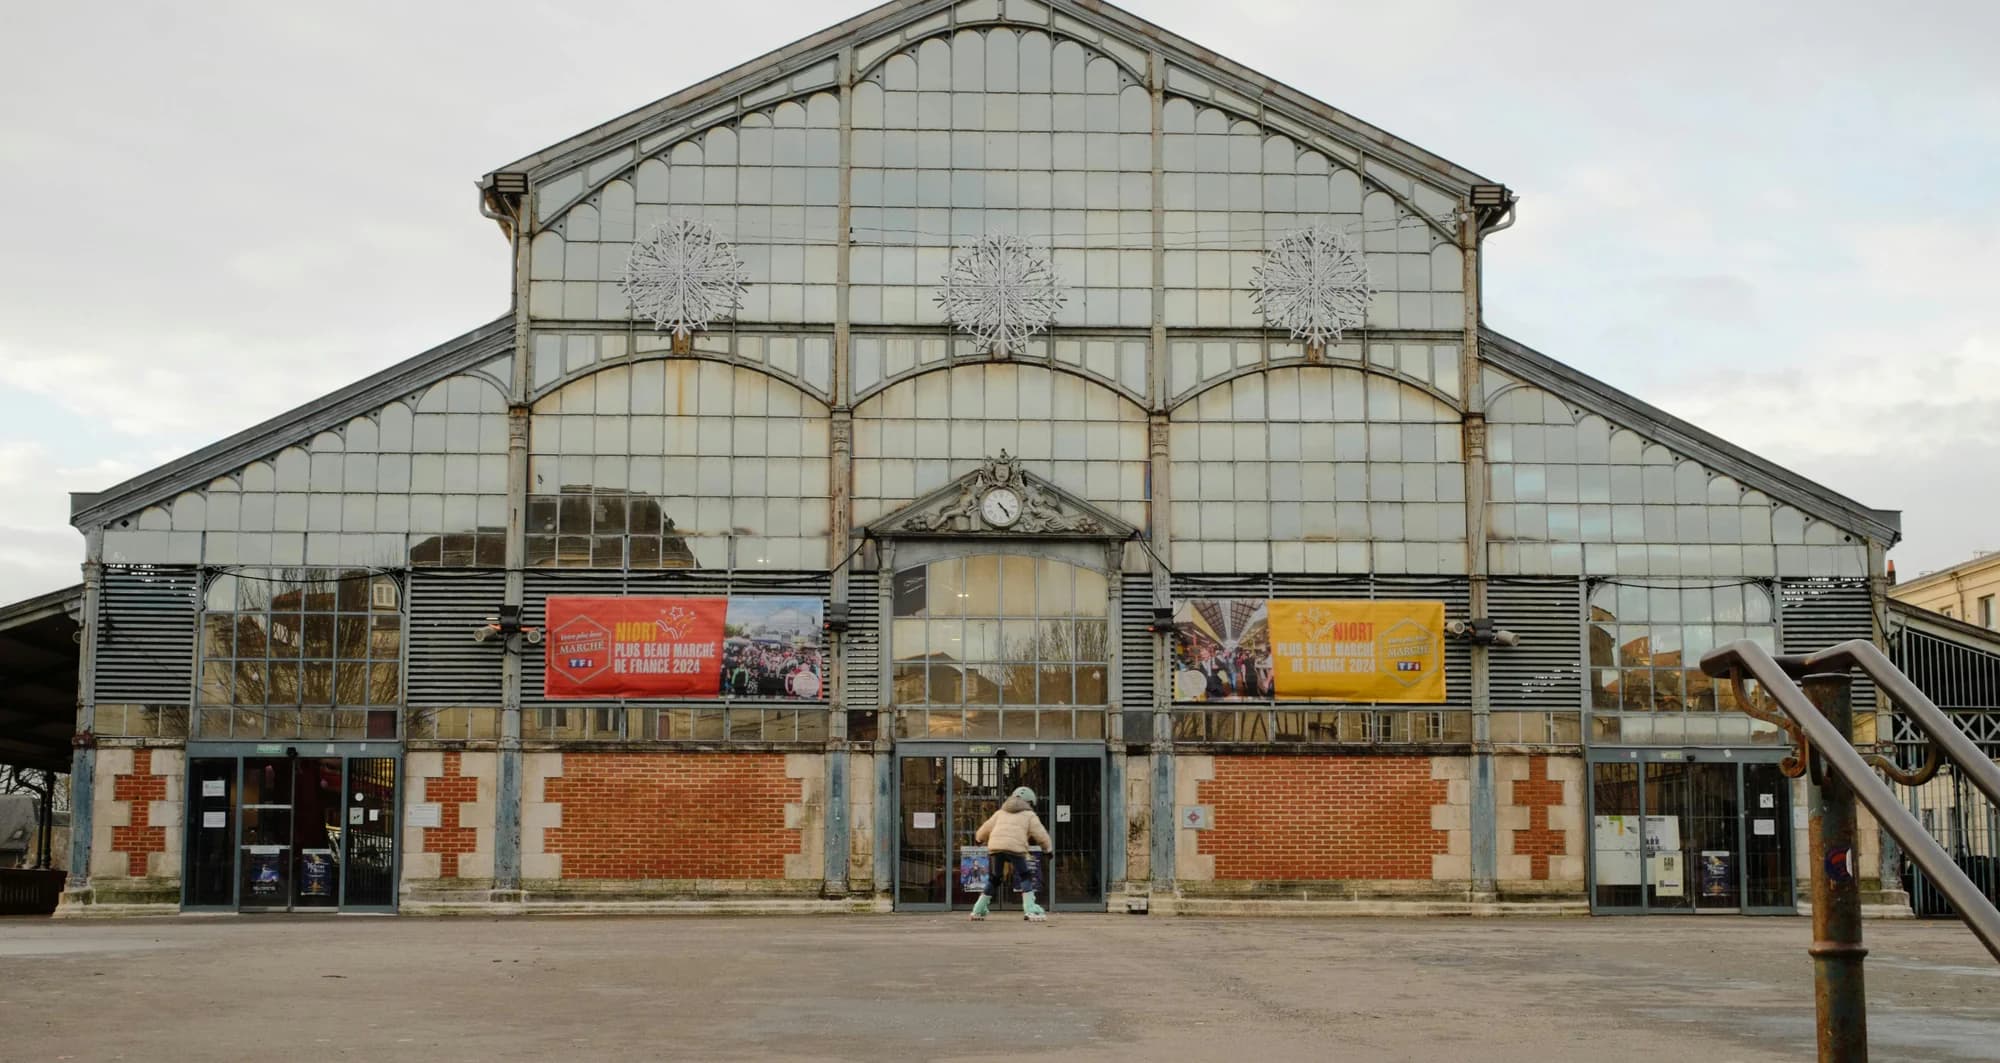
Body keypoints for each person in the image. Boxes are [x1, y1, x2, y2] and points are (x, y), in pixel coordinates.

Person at [971, 786, 1052, 921]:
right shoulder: (1029, 815)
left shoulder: (1000, 813)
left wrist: (978, 839)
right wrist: (1048, 850)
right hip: (1015, 848)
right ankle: (1030, 909)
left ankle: (978, 909)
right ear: (1029, 802)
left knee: (995, 878)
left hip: (996, 847)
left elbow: (986, 827)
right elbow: (1041, 834)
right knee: (1025, 875)